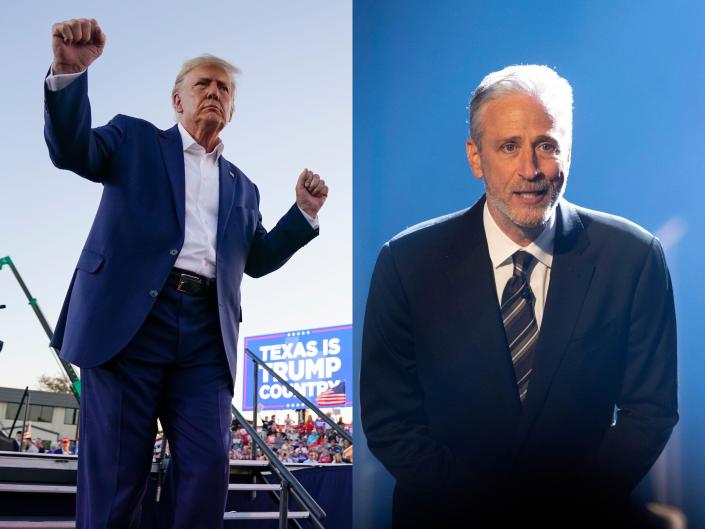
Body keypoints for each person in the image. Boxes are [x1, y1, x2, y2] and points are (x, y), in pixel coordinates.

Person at [361, 65, 677, 528]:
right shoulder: (406, 263)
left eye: (546, 146)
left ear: (568, 150)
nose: (530, 170)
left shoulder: (633, 258)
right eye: (509, 146)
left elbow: (649, 413)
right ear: (475, 156)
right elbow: (389, 423)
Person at [44, 18, 327, 529]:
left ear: (233, 108)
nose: (214, 93)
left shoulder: (244, 188)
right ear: (178, 101)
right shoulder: (134, 140)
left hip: (204, 336)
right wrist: (68, 74)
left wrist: (301, 214)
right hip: (128, 327)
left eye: (224, 88)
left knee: (207, 469)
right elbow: (72, 150)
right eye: (203, 83)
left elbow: (256, 261)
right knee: (114, 478)